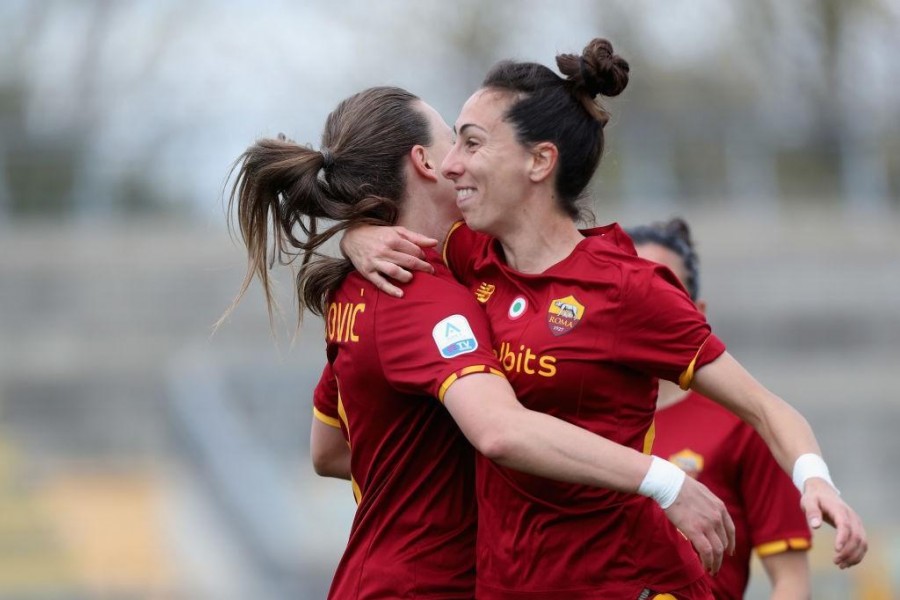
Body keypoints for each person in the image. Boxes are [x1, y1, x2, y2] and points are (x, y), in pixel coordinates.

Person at [342, 38, 867, 598]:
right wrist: (357, 235)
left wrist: (816, 481)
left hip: (629, 583)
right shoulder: (470, 254)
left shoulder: (627, 287)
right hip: (511, 584)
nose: (451, 164)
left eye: (471, 143)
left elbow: (764, 406)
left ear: (540, 160)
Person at [224, 86, 733, 600]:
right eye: (456, 138)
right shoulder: (426, 297)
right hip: (427, 586)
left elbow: (327, 450)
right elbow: (501, 431)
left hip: (374, 576)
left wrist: (356, 234)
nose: (463, 161)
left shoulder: (369, 281)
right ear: (423, 161)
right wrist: (659, 480)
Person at [628, 218, 812, 599]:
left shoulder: (740, 422)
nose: (642, 306)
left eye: (661, 291)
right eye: (627, 290)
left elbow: (791, 581)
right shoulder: (570, 417)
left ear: (696, 310)